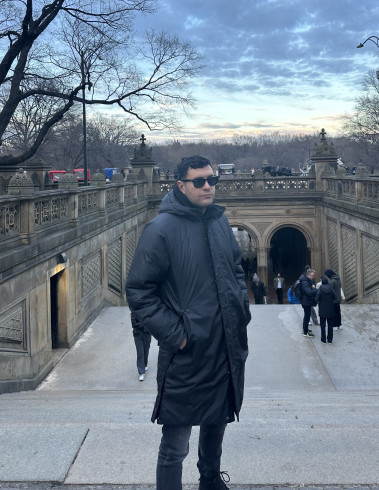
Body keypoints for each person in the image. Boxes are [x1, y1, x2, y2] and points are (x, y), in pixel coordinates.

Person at [125, 155, 251, 490]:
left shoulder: (219, 221)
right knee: (175, 443)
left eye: (212, 180)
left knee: (217, 420)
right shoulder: (160, 229)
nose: (208, 186)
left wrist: (241, 309)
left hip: (224, 344)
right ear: (181, 186)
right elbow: (138, 291)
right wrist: (177, 335)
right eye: (199, 181)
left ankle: (210, 480)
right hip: (187, 350)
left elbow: (236, 269)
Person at [315, 277, 338, 344]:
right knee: (330, 325)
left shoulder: (320, 289)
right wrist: (331, 302)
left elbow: (316, 299)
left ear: (322, 282)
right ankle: (330, 340)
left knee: (322, 326)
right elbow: (336, 299)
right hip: (331, 310)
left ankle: (323, 340)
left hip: (322, 310)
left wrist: (320, 302)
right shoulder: (331, 289)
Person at [130, 310, 152, 381]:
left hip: (147, 333)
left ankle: (145, 364)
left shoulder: (148, 310)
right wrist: (144, 324)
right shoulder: (134, 312)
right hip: (138, 334)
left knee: (146, 349)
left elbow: (151, 322)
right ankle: (141, 372)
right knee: (140, 352)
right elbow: (134, 324)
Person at [299, 268, 317, 338]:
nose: (313, 277)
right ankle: (305, 332)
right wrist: (316, 290)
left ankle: (305, 329)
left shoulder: (306, 281)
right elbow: (309, 292)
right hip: (306, 302)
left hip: (306, 301)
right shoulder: (305, 282)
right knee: (307, 316)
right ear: (308, 275)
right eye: (312, 276)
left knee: (307, 316)